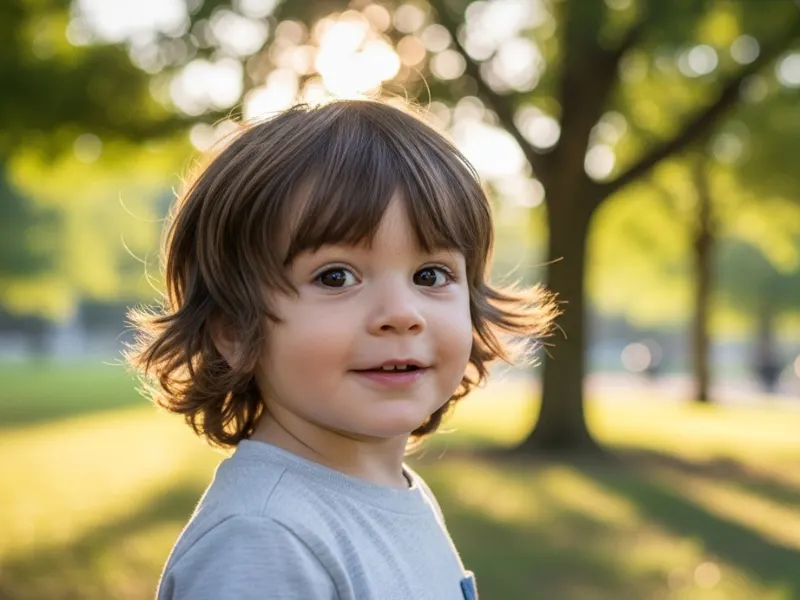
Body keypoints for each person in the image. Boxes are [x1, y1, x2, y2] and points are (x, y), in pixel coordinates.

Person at [127, 99, 555, 600]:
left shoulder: (395, 492)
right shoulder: (263, 540)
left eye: (430, 275)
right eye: (336, 277)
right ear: (236, 332)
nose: (402, 313)